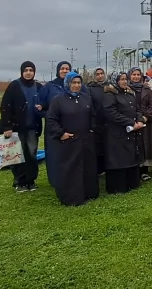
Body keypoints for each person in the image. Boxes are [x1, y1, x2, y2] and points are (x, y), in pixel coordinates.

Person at [45, 71, 98, 206]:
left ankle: (89, 193)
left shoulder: (85, 98)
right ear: (67, 84)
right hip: (69, 141)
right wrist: (61, 133)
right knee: (72, 168)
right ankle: (72, 197)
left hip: (86, 140)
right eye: (73, 83)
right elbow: (51, 120)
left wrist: (92, 129)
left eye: (79, 83)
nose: (76, 85)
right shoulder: (58, 100)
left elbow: (93, 115)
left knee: (87, 166)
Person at [0, 61, 43, 192]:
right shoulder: (14, 86)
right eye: (26, 70)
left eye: (31, 70)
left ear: (34, 72)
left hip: (33, 127)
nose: (28, 73)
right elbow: (5, 107)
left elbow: (45, 103)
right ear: (22, 72)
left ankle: (31, 180)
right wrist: (7, 126)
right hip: (16, 128)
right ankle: (19, 182)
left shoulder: (38, 87)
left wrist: (42, 107)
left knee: (32, 155)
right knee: (16, 155)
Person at [97, 72, 145, 194]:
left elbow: (137, 109)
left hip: (130, 133)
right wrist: (129, 122)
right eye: (121, 79)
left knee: (130, 158)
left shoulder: (129, 94)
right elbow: (111, 113)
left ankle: (131, 183)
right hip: (116, 134)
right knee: (119, 160)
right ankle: (118, 187)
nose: (124, 82)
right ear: (115, 80)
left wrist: (139, 120)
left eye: (125, 79)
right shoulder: (110, 95)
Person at [38, 60, 83, 189]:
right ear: (58, 70)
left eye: (67, 68)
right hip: (55, 127)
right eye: (62, 68)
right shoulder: (50, 87)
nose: (64, 70)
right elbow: (39, 106)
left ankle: (73, 178)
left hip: (73, 125)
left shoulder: (77, 85)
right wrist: (49, 115)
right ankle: (56, 180)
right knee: (55, 154)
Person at [128, 67, 152, 181]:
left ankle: (144, 171)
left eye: (138, 74)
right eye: (134, 74)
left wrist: (144, 118)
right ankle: (134, 171)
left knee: (145, 146)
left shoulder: (147, 89)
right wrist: (134, 120)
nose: (136, 77)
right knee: (133, 147)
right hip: (132, 122)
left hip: (146, 122)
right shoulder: (126, 89)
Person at [86, 67, 107, 175]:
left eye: (102, 73)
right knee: (97, 147)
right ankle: (98, 169)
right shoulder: (90, 88)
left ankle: (107, 167)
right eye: (98, 74)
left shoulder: (109, 86)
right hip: (97, 121)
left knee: (107, 146)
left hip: (109, 121)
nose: (100, 76)